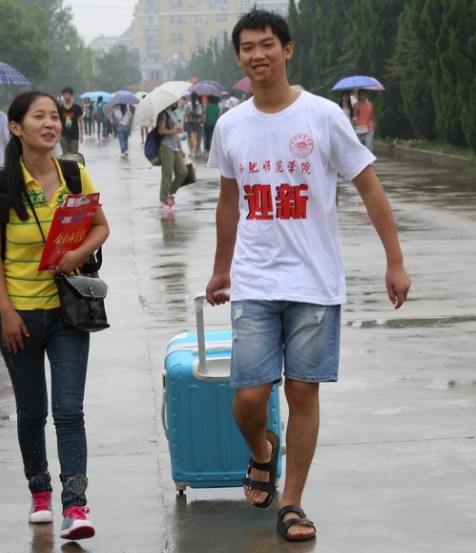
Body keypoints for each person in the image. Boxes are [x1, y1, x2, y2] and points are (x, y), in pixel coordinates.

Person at [206, 9, 411, 542]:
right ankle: (261, 451)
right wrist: (220, 268)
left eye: (267, 44)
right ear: (239, 57)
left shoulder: (322, 117)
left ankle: (292, 503)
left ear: (288, 50)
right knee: (249, 396)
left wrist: (394, 259)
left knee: (303, 391)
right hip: (254, 280)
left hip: (316, 282)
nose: (258, 55)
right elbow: (229, 203)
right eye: (248, 47)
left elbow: (369, 185)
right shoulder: (230, 126)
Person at [0, 91, 109, 541]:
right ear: (17, 128)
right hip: (21, 316)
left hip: (67, 312)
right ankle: (40, 493)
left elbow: (100, 226)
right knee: (32, 411)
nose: (50, 124)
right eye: (39, 117)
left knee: (69, 410)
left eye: (55, 116)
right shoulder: (2, 184)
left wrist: (76, 253)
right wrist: (7, 311)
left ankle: (76, 505)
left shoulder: (74, 174)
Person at [157, 101, 188, 210]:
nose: (178, 102)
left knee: (183, 171)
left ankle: (170, 194)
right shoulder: (163, 114)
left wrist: (180, 149)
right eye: (176, 100)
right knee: (167, 175)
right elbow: (161, 130)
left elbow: (176, 134)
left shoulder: (173, 113)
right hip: (166, 147)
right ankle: (164, 200)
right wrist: (176, 130)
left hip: (174, 146)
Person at [58, 87, 84, 154]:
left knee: (74, 155)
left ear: (71, 96)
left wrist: (81, 135)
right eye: (64, 95)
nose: (65, 96)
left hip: (74, 135)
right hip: (63, 135)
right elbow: (58, 122)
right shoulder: (60, 108)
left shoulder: (77, 108)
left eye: (67, 94)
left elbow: (81, 121)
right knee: (65, 155)